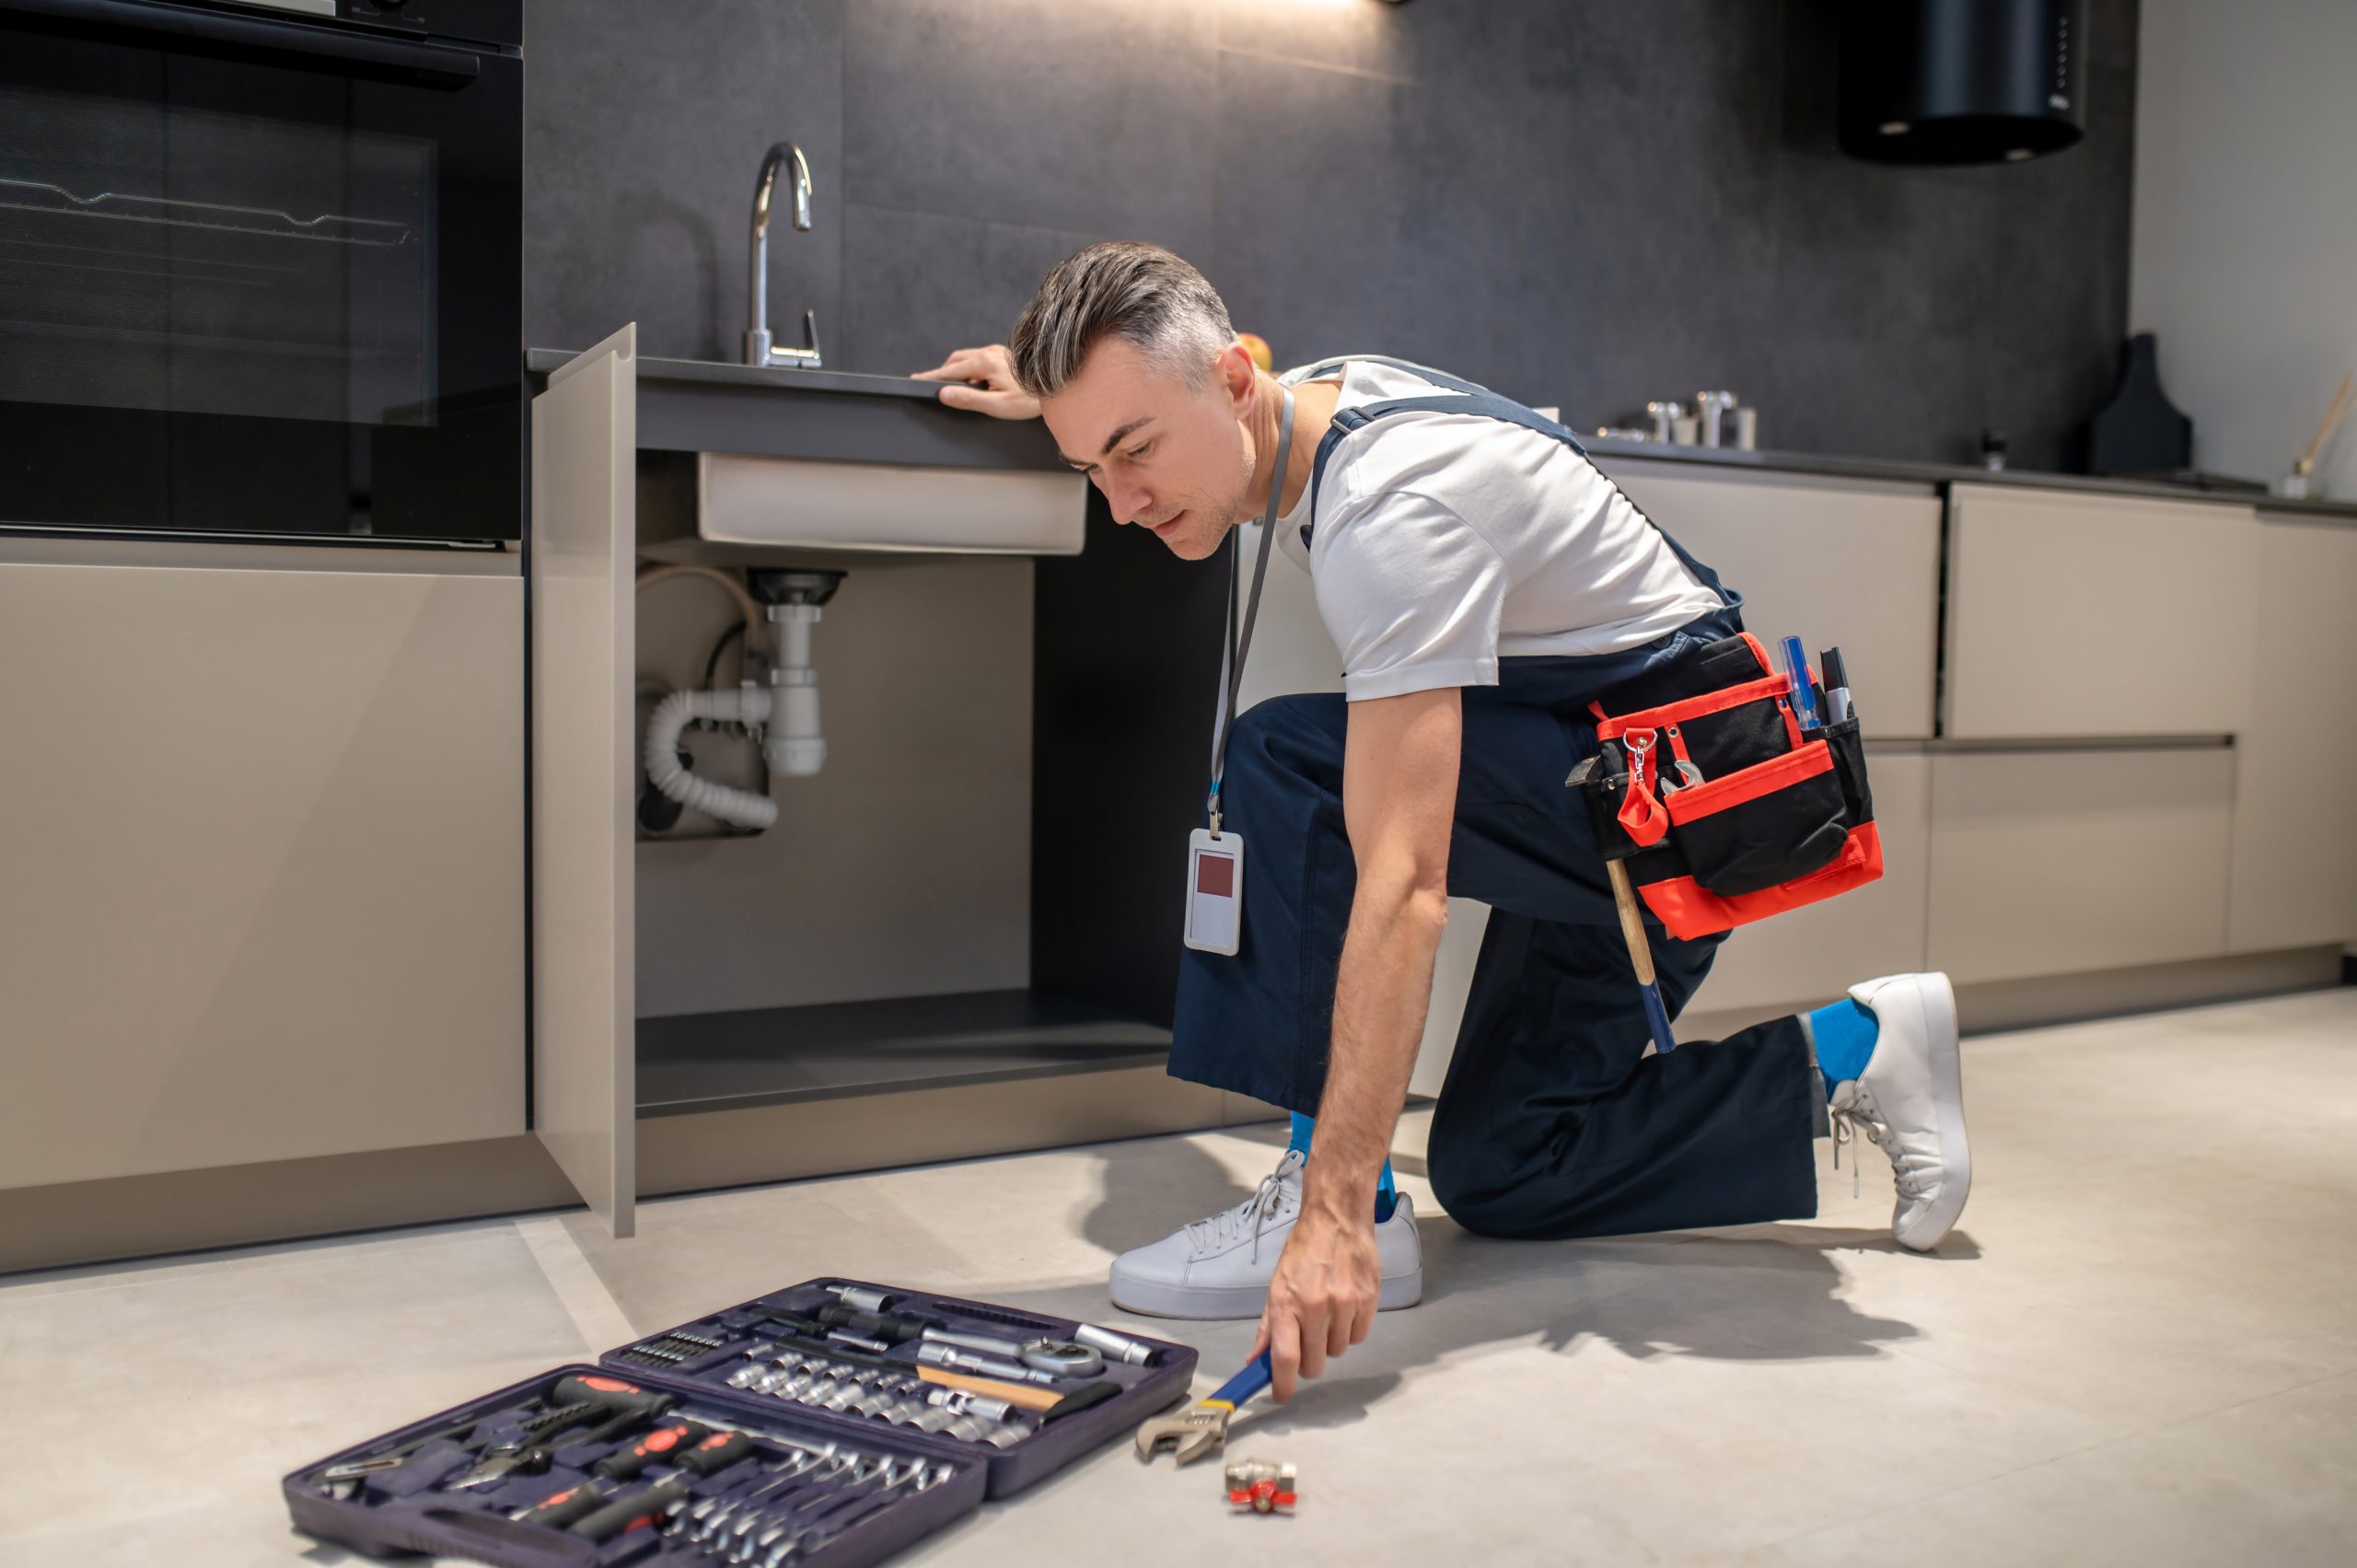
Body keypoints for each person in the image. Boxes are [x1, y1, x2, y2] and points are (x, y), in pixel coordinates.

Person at [914, 242, 1970, 1403]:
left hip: (1669, 807)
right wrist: (1055, 388)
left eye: (1133, 450)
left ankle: (1333, 1194)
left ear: (1229, 382)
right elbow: (1169, 356)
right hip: (1593, 773)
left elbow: (1403, 878)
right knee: (1505, 1167)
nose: (1119, 504)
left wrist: (1335, 1209)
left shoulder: (1391, 510)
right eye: (1088, 464)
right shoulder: (1284, 392)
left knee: (1289, 761)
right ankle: (1864, 1047)